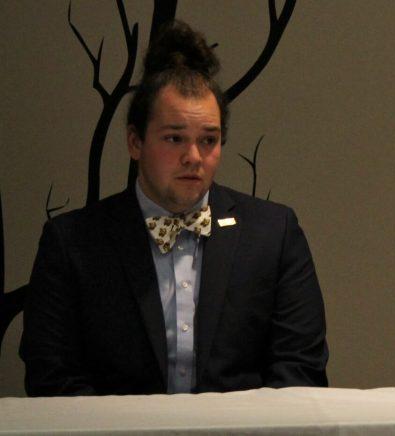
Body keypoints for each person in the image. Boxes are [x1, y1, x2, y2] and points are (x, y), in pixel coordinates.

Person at [20, 21, 328, 396]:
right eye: (174, 138)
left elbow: (300, 370)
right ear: (135, 142)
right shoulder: (73, 243)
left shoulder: (273, 233)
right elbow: (53, 377)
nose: (193, 157)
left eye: (209, 140)